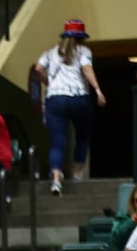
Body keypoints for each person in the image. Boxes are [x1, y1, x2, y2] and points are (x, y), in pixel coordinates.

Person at [35, 20, 104, 195]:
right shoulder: (83, 51)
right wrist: (97, 90)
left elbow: (38, 68)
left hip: (55, 99)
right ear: (82, 38)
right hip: (78, 98)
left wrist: (48, 83)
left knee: (57, 143)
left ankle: (57, 180)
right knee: (83, 137)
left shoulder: (50, 52)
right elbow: (87, 69)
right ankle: (77, 174)